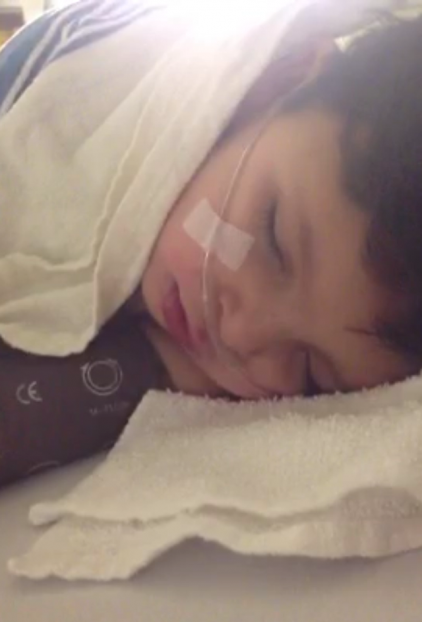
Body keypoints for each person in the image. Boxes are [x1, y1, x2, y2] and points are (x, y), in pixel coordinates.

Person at [0, 1, 421, 486]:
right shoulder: (97, 101)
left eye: (310, 373)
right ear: (278, 79)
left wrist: (158, 367)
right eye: (272, 240)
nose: (243, 338)